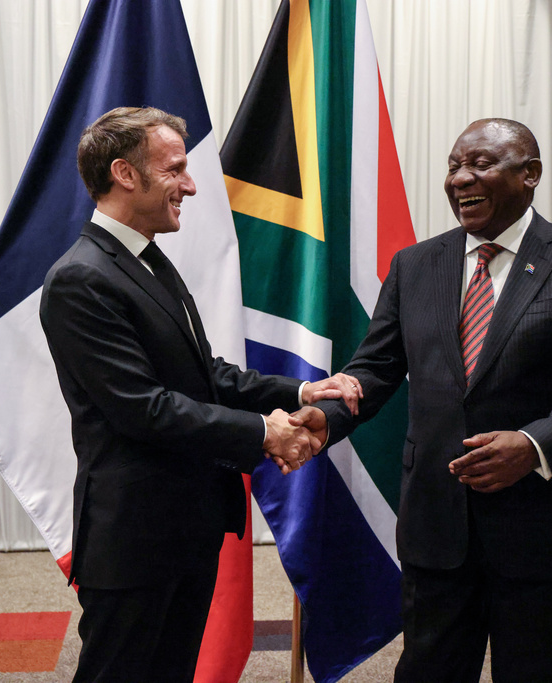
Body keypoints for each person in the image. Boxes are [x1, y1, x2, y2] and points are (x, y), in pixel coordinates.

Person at [301, 118, 552, 682]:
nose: (461, 179)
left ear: (529, 174)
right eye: (454, 166)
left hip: (545, 525)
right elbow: (376, 368)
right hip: (438, 521)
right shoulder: (415, 265)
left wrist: (535, 445)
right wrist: (326, 417)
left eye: (480, 164)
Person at [39, 106, 358, 682]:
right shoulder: (80, 278)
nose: (190, 185)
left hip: (187, 526)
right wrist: (266, 432)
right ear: (125, 174)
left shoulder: (148, 259)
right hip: (135, 539)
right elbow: (144, 408)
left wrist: (303, 388)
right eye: (176, 169)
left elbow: (202, 375)